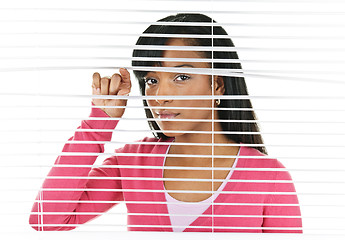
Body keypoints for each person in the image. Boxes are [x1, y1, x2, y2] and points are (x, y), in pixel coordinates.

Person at [29, 13, 302, 233]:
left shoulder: (269, 177)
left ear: (217, 84)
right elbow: (47, 219)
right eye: (151, 80)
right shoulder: (132, 162)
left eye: (181, 77)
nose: (160, 97)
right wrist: (99, 124)